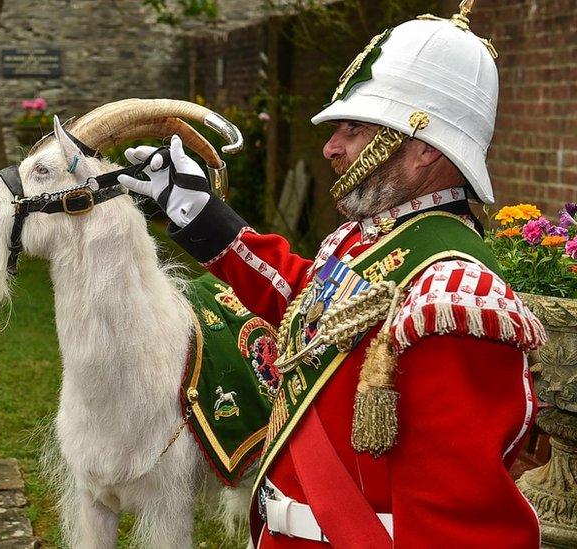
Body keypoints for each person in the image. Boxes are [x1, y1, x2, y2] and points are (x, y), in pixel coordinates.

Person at [119, 4, 544, 547]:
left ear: (419, 149)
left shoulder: (455, 302)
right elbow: (314, 309)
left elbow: (459, 527)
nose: (331, 146)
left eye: (354, 127)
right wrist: (198, 213)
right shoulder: (372, 240)